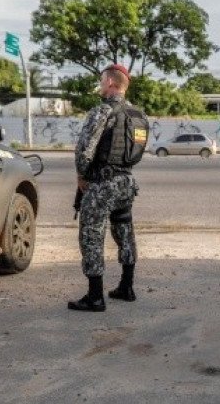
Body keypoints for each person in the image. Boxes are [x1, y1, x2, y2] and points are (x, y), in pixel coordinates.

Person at [68, 63, 149, 312]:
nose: (100, 85)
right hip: (126, 182)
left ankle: (95, 297)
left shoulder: (102, 112)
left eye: (102, 81)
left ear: (111, 83)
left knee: (91, 236)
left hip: (102, 183)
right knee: (124, 232)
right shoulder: (139, 117)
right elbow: (137, 150)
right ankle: (127, 286)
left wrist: (82, 176)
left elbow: (84, 149)